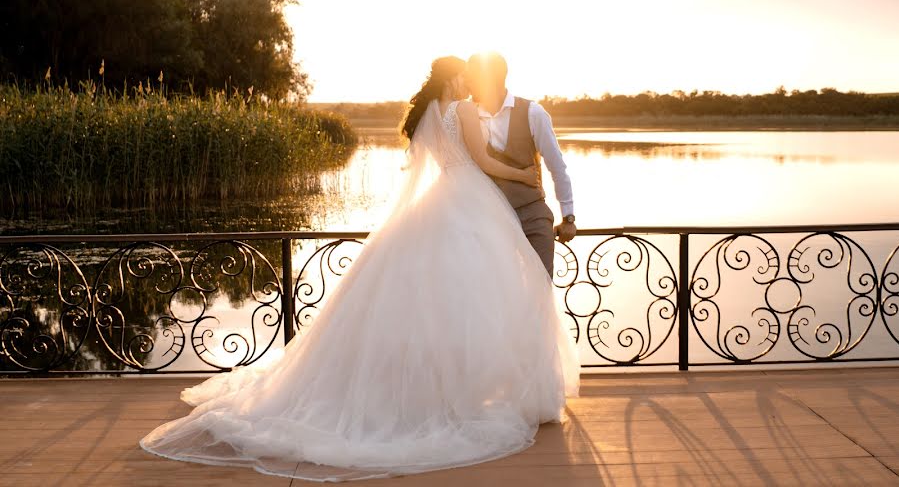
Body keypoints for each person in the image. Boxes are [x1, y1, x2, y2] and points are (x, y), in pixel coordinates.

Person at [139, 56, 580, 482]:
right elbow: (483, 163)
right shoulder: (462, 110)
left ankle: (439, 390)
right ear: (453, 80)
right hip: (469, 202)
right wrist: (524, 176)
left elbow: (432, 162)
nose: (470, 82)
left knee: (436, 302)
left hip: (443, 200)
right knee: (472, 301)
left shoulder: (425, 115)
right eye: (464, 75)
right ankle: (470, 391)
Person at [466, 52, 576, 276]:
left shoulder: (533, 112)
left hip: (533, 216)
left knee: (541, 289)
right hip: (489, 220)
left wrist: (569, 217)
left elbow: (557, 166)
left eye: (473, 77)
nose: (468, 82)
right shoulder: (468, 116)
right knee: (497, 293)